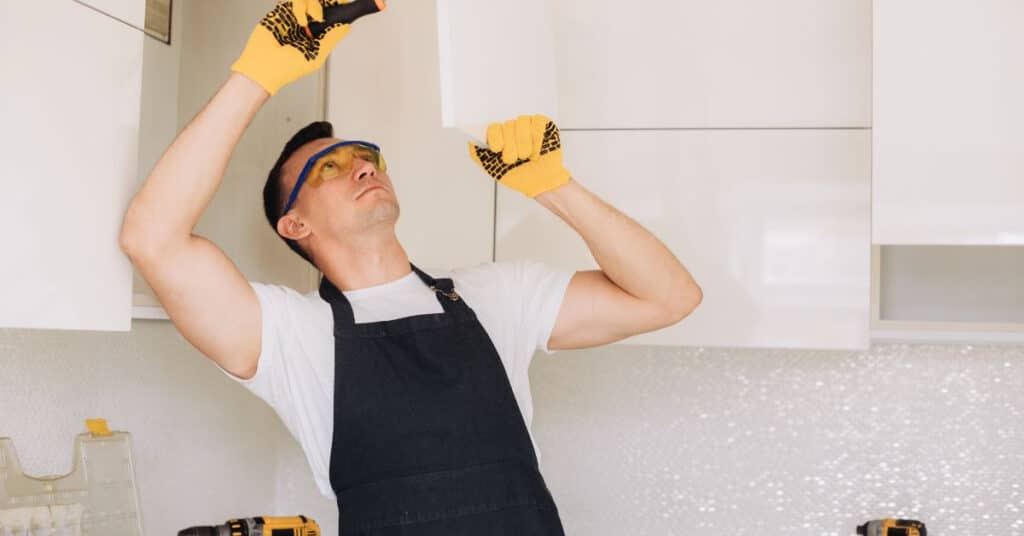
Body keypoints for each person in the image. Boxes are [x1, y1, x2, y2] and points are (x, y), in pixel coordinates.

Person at [119, 1, 703, 534]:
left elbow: (669, 298)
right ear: (294, 226)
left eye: (367, 157)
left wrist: (555, 188)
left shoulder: (497, 295)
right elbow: (152, 239)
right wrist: (257, 77)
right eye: (328, 168)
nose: (362, 168)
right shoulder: (288, 336)